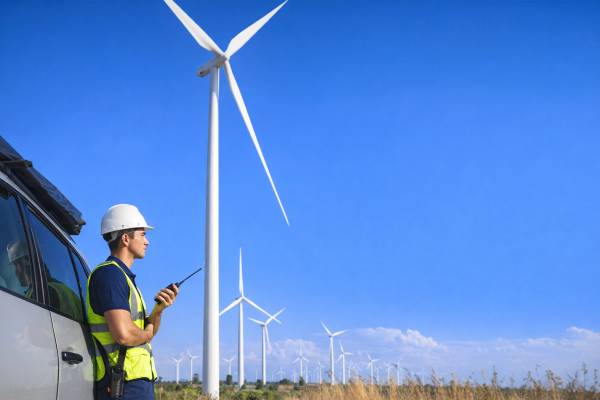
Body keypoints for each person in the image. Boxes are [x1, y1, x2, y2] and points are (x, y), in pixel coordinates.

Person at [86, 204, 178, 400]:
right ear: (126, 239)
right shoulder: (109, 275)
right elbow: (125, 335)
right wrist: (147, 333)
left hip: (134, 384)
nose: (147, 241)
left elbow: (143, 334)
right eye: (142, 235)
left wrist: (158, 311)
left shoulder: (123, 278)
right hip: (122, 383)